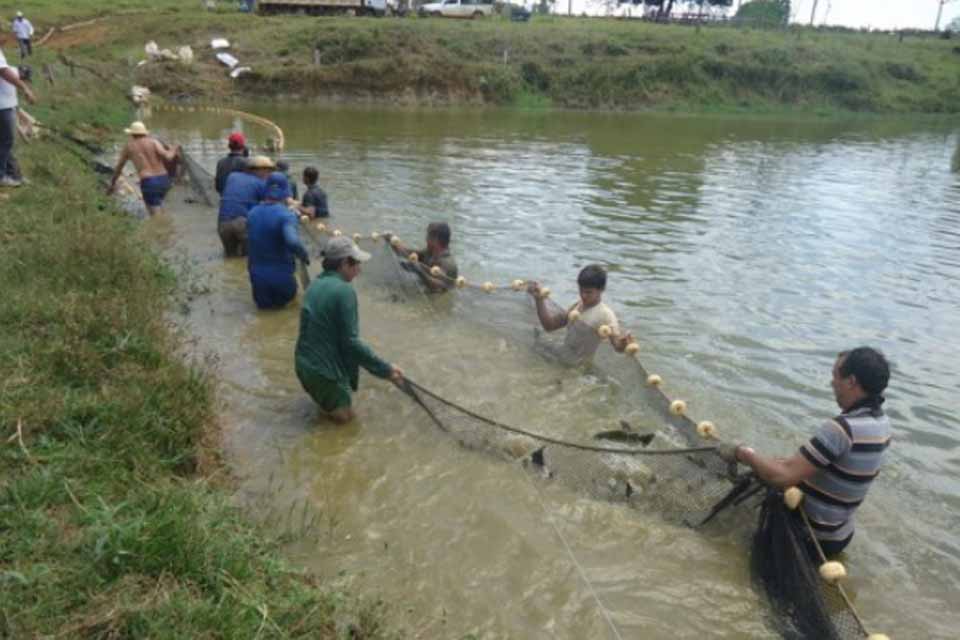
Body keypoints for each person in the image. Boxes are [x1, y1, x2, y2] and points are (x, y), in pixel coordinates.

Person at [721, 347, 892, 557]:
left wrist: (742, 453)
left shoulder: (842, 429)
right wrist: (785, 464)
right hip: (840, 536)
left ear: (851, 381)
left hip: (809, 536)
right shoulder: (882, 424)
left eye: (835, 376)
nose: (832, 383)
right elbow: (838, 469)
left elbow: (782, 477)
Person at [295, 236, 403, 424]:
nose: (359, 269)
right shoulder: (344, 291)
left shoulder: (315, 284)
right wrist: (386, 370)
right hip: (324, 374)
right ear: (345, 263)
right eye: (357, 263)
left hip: (303, 366)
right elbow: (351, 343)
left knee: (326, 417)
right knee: (347, 427)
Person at [527, 264, 633, 363]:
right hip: (562, 356)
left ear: (601, 290)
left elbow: (617, 347)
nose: (583, 295)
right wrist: (539, 299)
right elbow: (550, 326)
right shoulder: (577, 305)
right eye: (581, 290)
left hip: (577, 367)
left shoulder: (606, 315)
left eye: (588, 292)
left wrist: (624, 344)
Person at [246, 172, 310, 310]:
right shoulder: (287, 215)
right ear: (286, 193)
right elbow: (293, 242)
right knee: (288, 314)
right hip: (282, 279)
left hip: (257, 280)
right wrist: (304, 255)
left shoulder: (251, 213)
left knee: (264, 313)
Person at [107, 122, 180, 216]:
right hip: (164, 179)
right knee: (159, 206)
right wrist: (174, 148)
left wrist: (112, 183)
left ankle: (160, 225)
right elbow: (168, 157)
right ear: (144, 133)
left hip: (149, 181)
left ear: (132, 134)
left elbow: (119, 167)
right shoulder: (153, 142)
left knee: (155, 215)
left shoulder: (129, 147)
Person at [217, 155, 274, 257]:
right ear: (261, 170)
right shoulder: (261, 183)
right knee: (248, 258)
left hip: (223, 223)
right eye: (268, 170)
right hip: (242, 223)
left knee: (230, 257)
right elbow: (270, 205)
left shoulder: (232, 176)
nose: (269, 174)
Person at [385, 222, 458, 292]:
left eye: (428, 236)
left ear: (435, 239)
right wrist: (392, 241)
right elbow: (405, 253)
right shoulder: (429, 253)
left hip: (436, 298)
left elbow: (437, 287)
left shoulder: (448, 263)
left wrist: (419, 270)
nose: (426, 239)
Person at [0, 47, 35, 188]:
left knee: (5, 143)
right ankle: (1, 176)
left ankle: (14, 174)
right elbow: (3, 71)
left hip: (6, 107)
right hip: (2, 108)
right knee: (6, 142)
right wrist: (25, 88)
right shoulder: (11, 72)